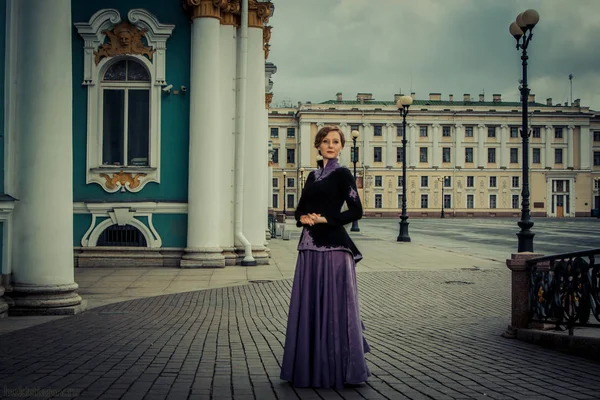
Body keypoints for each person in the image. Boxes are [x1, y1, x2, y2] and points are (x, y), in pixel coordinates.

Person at [280, 125, 370, 389]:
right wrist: (304, 218)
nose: (331, 145)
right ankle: (309, 368)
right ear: (318, 145)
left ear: (342, 146)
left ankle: (337, 368)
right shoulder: (312, 176)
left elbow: (356, 210)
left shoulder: (343, 174)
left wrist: (326, 219)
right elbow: (298, 211)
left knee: (333, 309)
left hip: (334, 250)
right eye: (326, 141)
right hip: (308, 248)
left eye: (336, 142)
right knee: (308, 307)